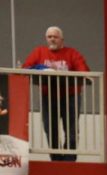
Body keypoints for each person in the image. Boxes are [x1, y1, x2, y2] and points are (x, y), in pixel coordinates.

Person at [22, 26, 89, 161]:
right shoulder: (39, 52)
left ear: (61, 39)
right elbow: (25, 68)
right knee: (49, 129)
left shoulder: (72, 53)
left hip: (70, 96)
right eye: (49, 37)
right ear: (46, 39)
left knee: (71, 130)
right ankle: (57, 160)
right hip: (48, 96)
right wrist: (42, 69)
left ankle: (69, 161)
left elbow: (84, 71)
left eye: (55, 37)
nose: (52, 39)